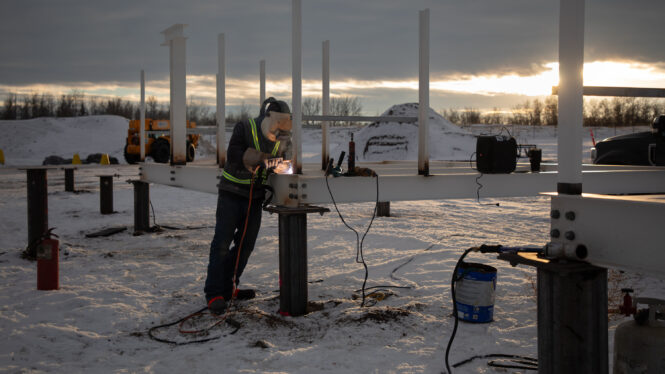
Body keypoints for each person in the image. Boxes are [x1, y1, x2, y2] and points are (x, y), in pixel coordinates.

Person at [204, 97, 292, 314]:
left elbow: (283, 163)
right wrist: (262, 159)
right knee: (222, 244)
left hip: (254, 197)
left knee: (246, 245)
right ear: (268, 117)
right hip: (231, 194)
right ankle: (214, 292)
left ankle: (229, 286)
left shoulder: (281, 137)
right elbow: (233, 154)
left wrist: (282, 166)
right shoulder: (245, 127)